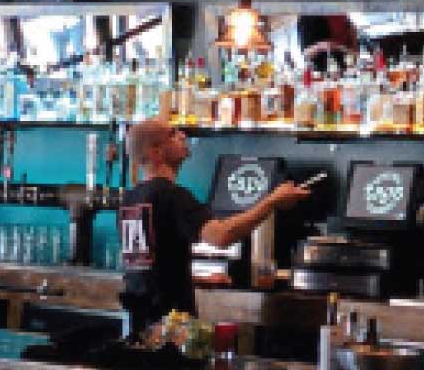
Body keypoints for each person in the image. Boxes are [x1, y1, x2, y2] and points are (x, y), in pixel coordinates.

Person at [119, 118, 308, 329]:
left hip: (139, 322)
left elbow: (147, 269)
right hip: (169, 326)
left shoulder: (130, 199)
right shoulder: (171, 195)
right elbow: (221, 236)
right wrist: (273, 201)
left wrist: (198, 280)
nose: (183, 135)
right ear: (156, 152)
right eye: (173, 134)